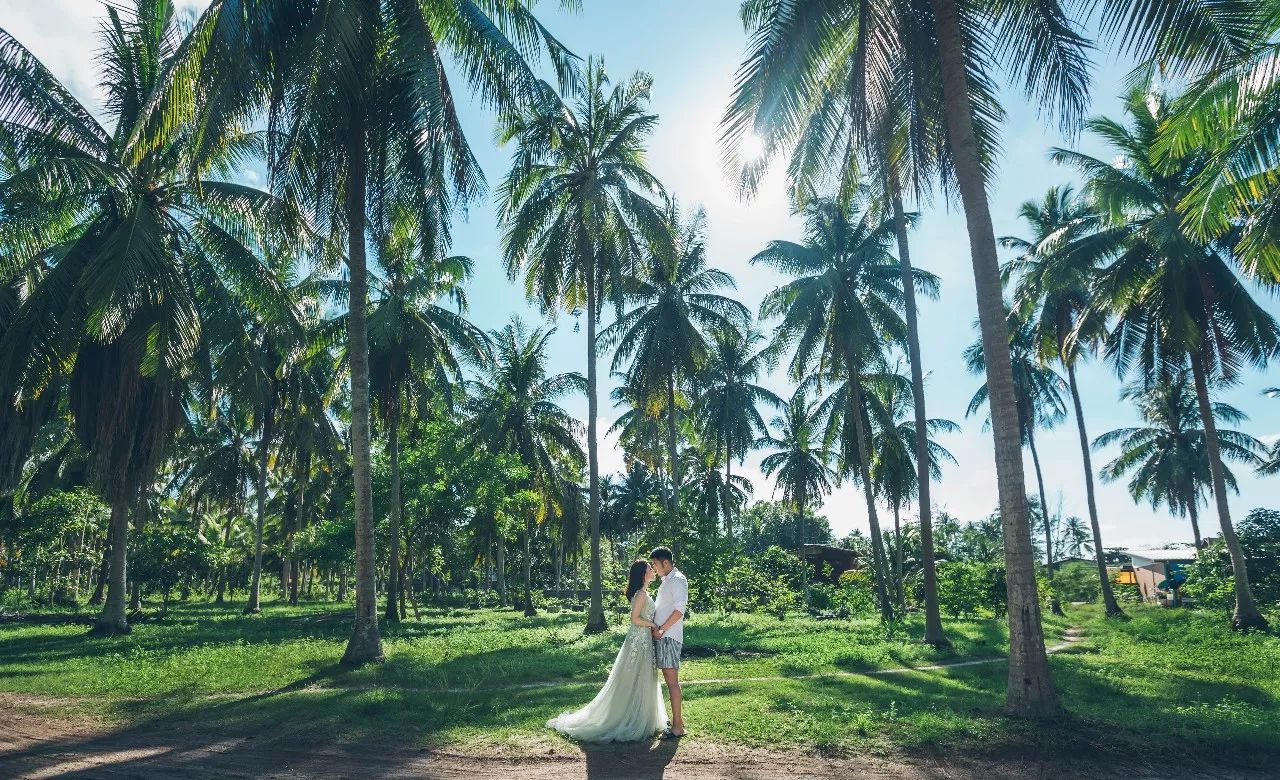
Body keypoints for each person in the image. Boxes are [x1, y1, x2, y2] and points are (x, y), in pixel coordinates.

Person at [546, 560, 667, 742]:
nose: (653, 570)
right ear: (643, 574)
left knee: (641, 677)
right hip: (638, 641)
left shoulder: (644, 593)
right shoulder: (641, 594)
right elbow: (634, 619)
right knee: (634, 677)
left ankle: (641, 715)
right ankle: (630, 718)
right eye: (650, 568)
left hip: (643, 640)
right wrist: (653, 625)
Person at [649, 546, 687, 739]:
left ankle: (677, 727)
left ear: (665, 562)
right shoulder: (667, 581)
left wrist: (662, 630)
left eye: (655, 564)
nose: (654, 568)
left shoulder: (677, 580)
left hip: (669, 637)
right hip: (663, 637)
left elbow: (680, 611)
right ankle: (678, 722)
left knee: (672, 682)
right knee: (669, 680)